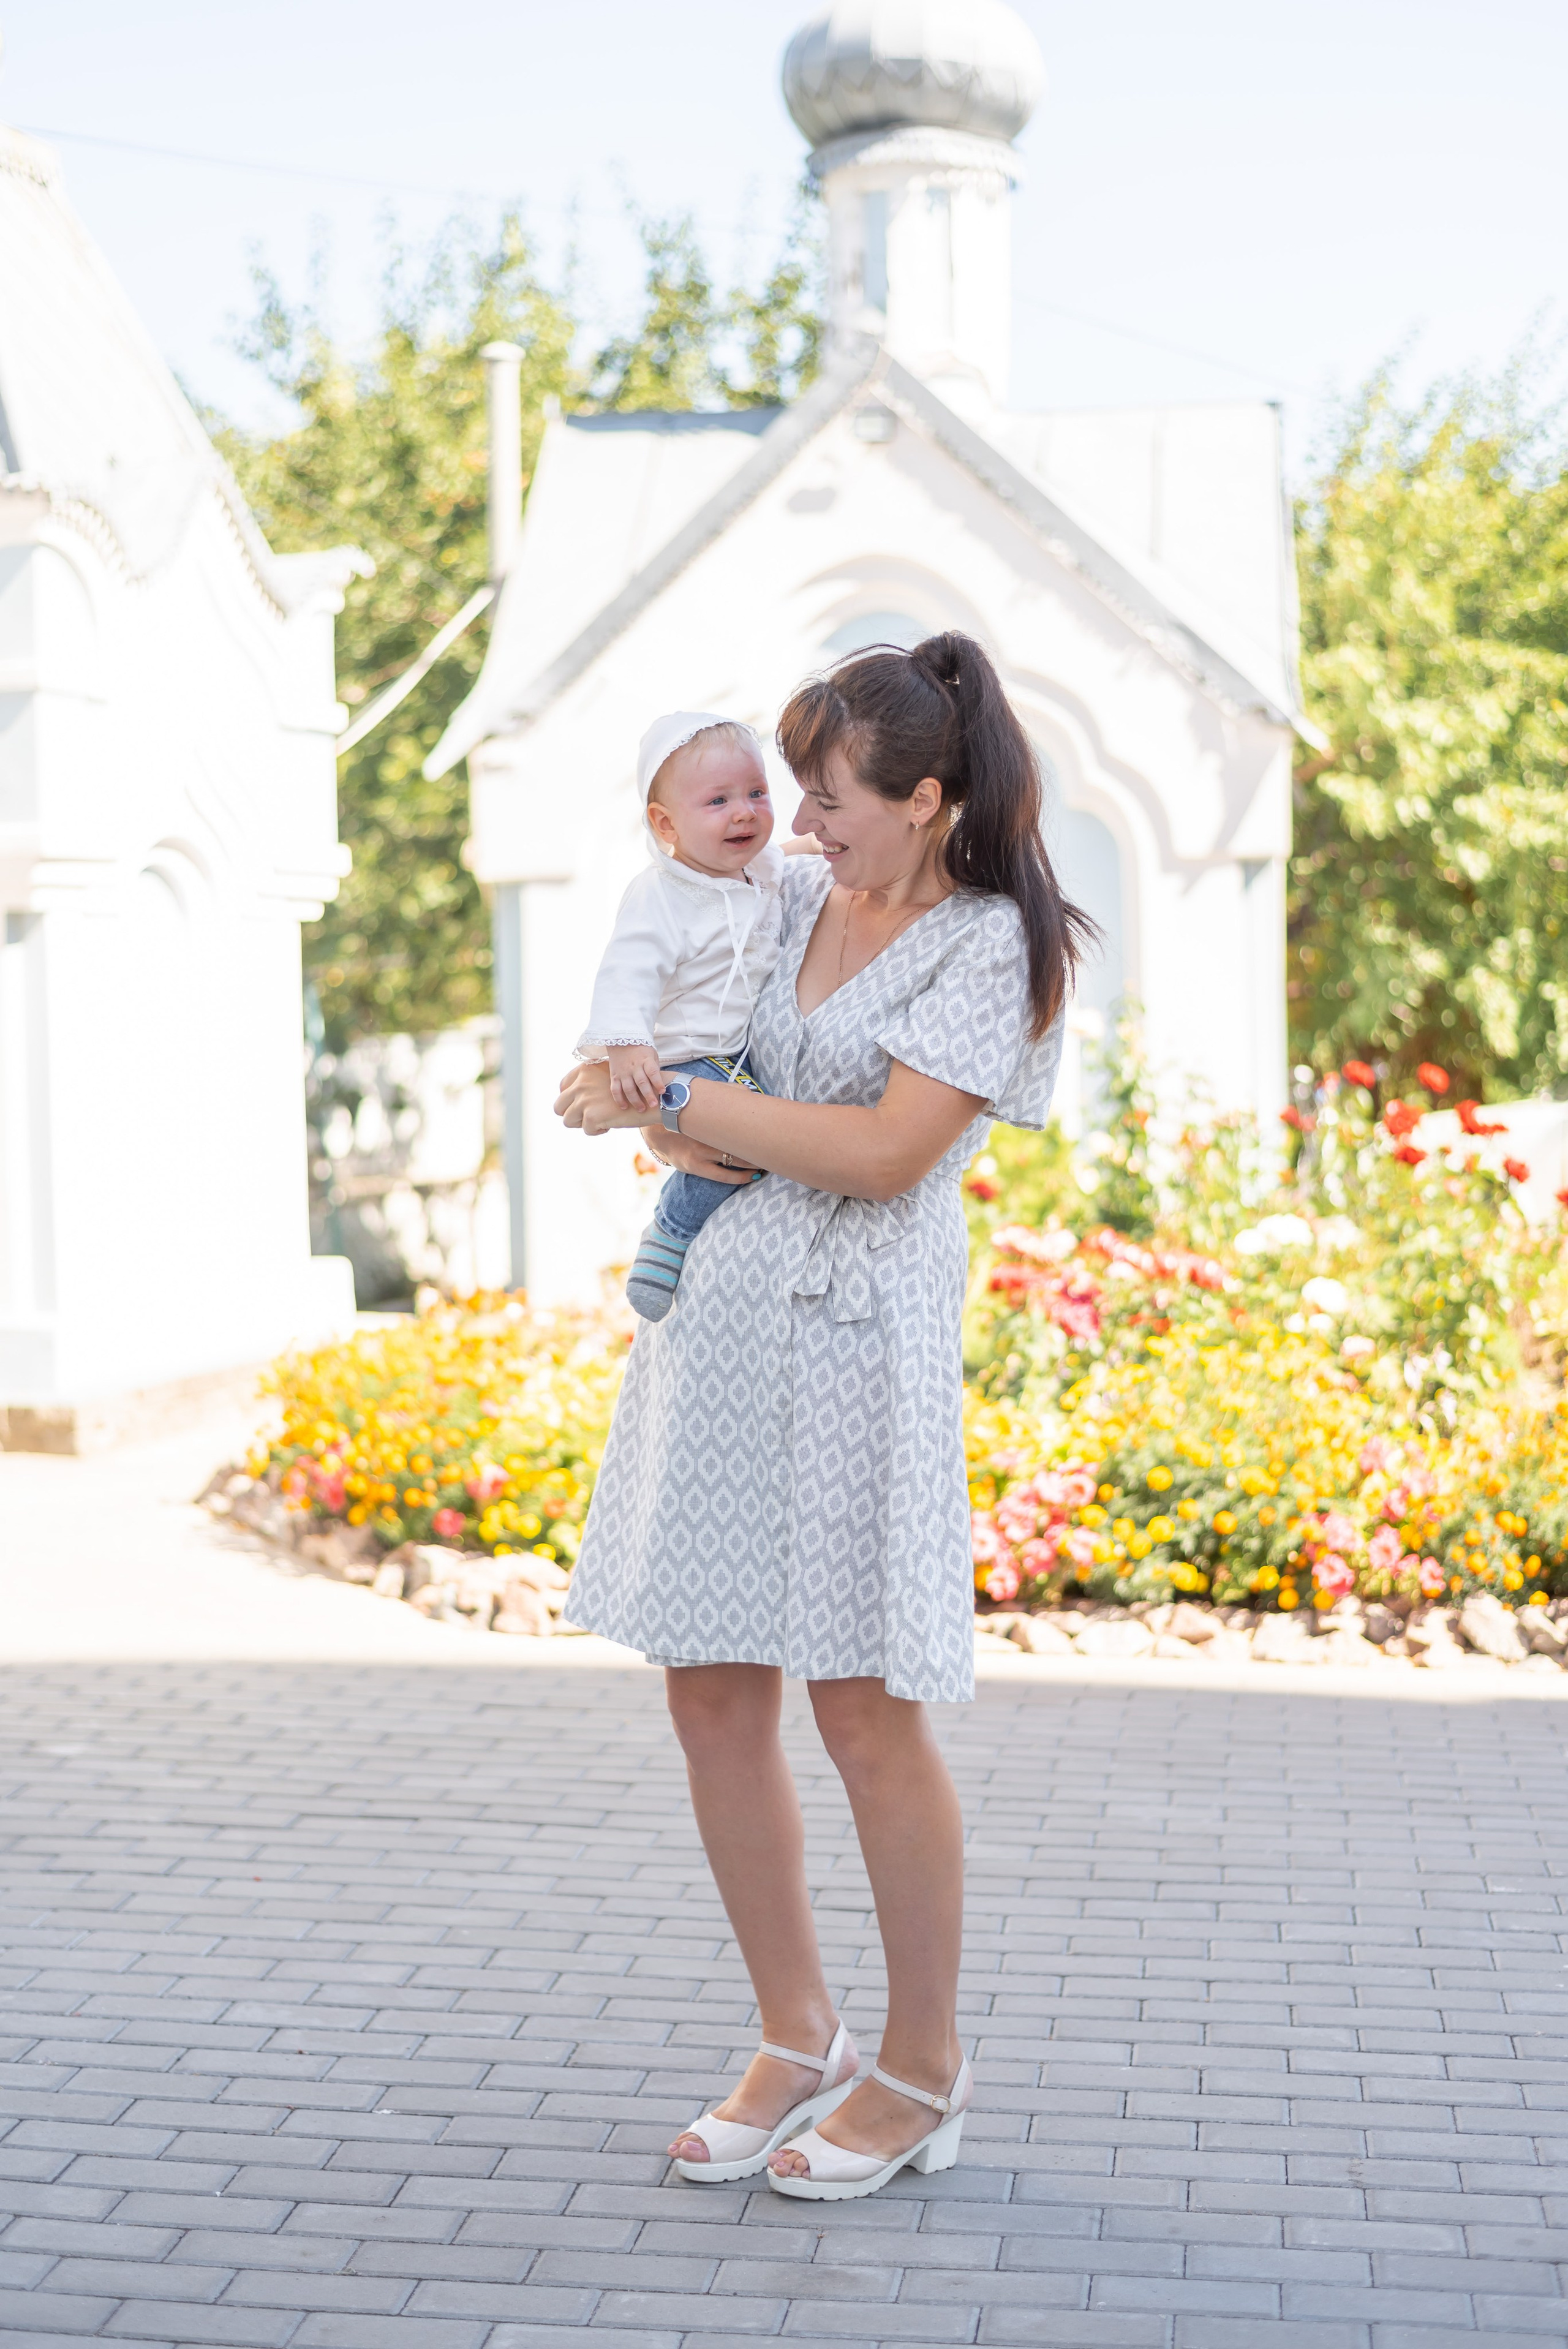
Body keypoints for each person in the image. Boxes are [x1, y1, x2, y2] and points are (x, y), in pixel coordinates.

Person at [556, 632, 1090, 2203]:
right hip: (715, 1335)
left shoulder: (993, 945)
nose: (794, 823)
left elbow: (878, 1155)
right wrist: (622, 1092)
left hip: (860, 1349)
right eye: (789, 789)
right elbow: (651, 1046)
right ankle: (796, 2029)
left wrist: (677, 1102)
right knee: (711, 1698)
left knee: (862, 1712)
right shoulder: (777, 897)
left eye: (831, 798)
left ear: (926, 800)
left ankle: (921, 2064)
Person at [576, 711, 805, 1322]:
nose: (745, 811)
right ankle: (671, 1232)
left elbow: (794, 853)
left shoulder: (761, 871)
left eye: (757, 792)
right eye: (719, 800)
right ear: (665, 824)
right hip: (685, 1051)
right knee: (742, 1139)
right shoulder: (662, 892)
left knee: (758, 1127)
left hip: (735, 1047)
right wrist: (627, 1046)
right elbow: (628, 970)